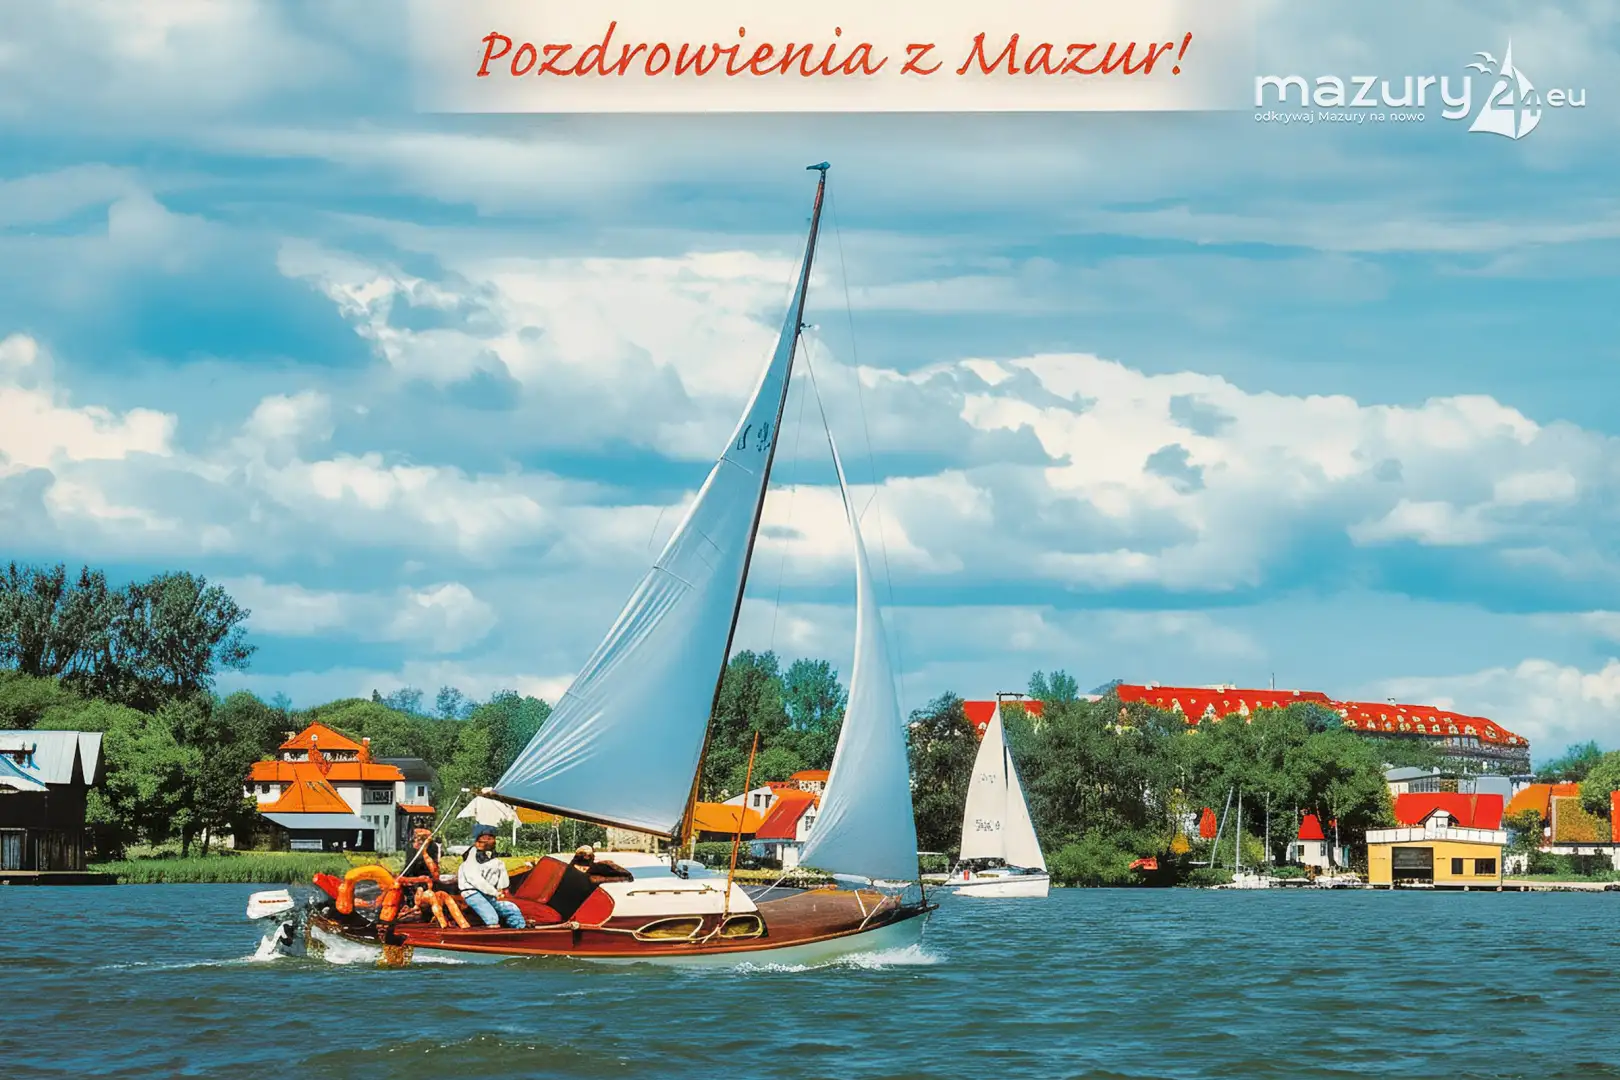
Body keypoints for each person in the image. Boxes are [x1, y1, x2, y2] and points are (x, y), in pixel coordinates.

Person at [457, 824, 525, 928]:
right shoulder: (471, 859)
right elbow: (475, 880)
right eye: (484, 839)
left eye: (490, 838)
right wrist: (494, 892)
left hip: (490, 894)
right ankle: (492, 931)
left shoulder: (495, 861)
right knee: (492, 918)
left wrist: (501, 874)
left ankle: (520, 928)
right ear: (477, 842)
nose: (487, 841)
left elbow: (503, 883)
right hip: (473, 893)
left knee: (512, 909)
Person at [569, 844, 634, 884]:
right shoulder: (596, 868)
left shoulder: (571, 867)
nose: (594, 856)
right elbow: (626, 875)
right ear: (587, 857)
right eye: (592, 855)